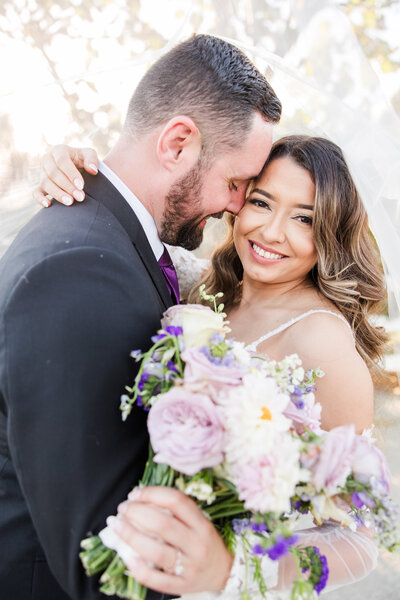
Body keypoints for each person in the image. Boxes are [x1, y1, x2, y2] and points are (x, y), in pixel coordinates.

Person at [34, 135, 387, 598]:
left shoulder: (320, 340)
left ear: (330, 235)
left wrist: (229, 568)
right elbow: (127, 222)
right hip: (137, 556)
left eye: (305, 218)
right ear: (237, 202)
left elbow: (362, 535)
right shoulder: (204, 287)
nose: (272, 232)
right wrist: (77, 167)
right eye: (262, 203)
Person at [0, 34, 282, 600]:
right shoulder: (79, 268)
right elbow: (100, 560)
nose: (236, 207)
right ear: (177, 143)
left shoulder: (116, 240)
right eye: (234, 184)